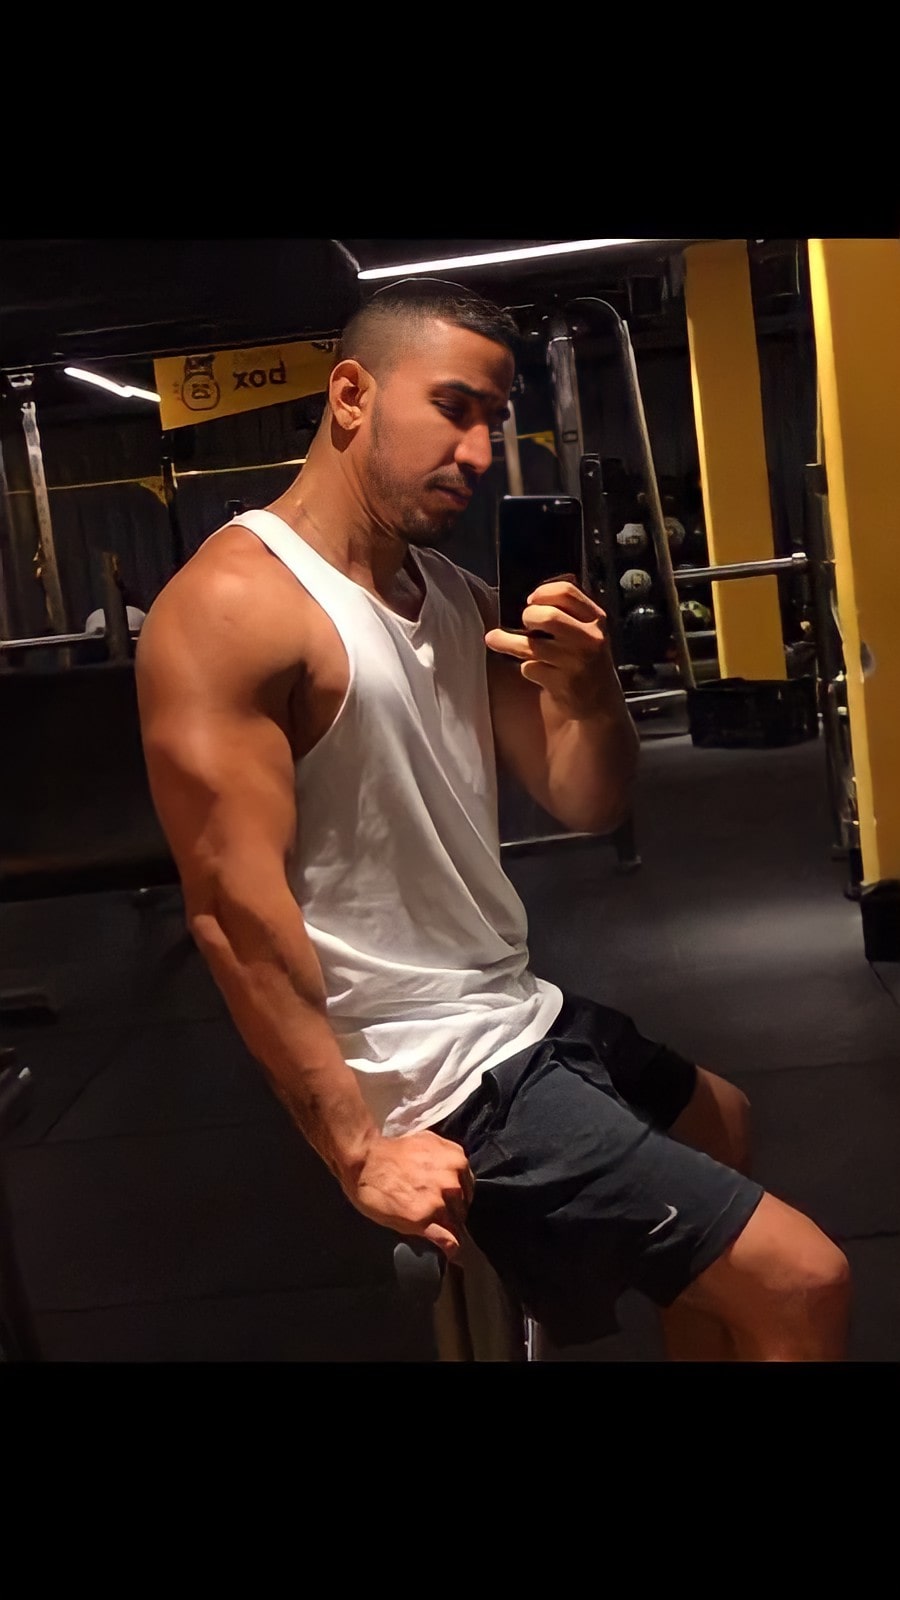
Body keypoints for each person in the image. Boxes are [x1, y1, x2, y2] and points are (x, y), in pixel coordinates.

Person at [135, 278, 851, 1361]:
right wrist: (359, 1152)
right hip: (422, 1067)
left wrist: (589, 690)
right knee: (805, 1283)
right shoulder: (237, 605)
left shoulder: (457, 595)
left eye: (493, 420)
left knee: (725, 1120)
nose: (478, 451)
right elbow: (234, 912)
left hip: (507, 1007)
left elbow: (588, 797)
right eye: (453, 408)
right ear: (351, 395)